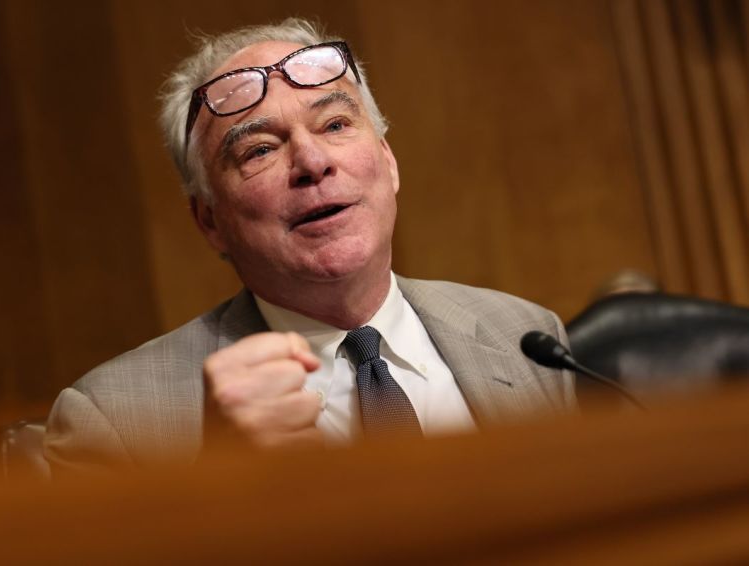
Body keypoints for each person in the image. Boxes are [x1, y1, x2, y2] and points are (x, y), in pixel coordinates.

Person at [43, 18, 575, 473]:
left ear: (388, 163)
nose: (313, 162)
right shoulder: (113, 421)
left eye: (336, 123)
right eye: (259, 150)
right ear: (210, 221)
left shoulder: (525, 338)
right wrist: (224, 487)